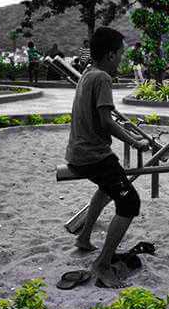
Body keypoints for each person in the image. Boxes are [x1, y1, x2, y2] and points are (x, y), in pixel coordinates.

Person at [64, 27, 150, 288]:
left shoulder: (87, 73)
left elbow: (102, 117)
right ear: (111, 55)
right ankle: (102, 263)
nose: (122, 60)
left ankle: (84, 237)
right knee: (130, 203)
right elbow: (106, 121)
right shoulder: (102, 78)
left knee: (107, 187)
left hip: (78, 151)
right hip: (93, 155)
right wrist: (134, 141)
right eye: (121, 55)